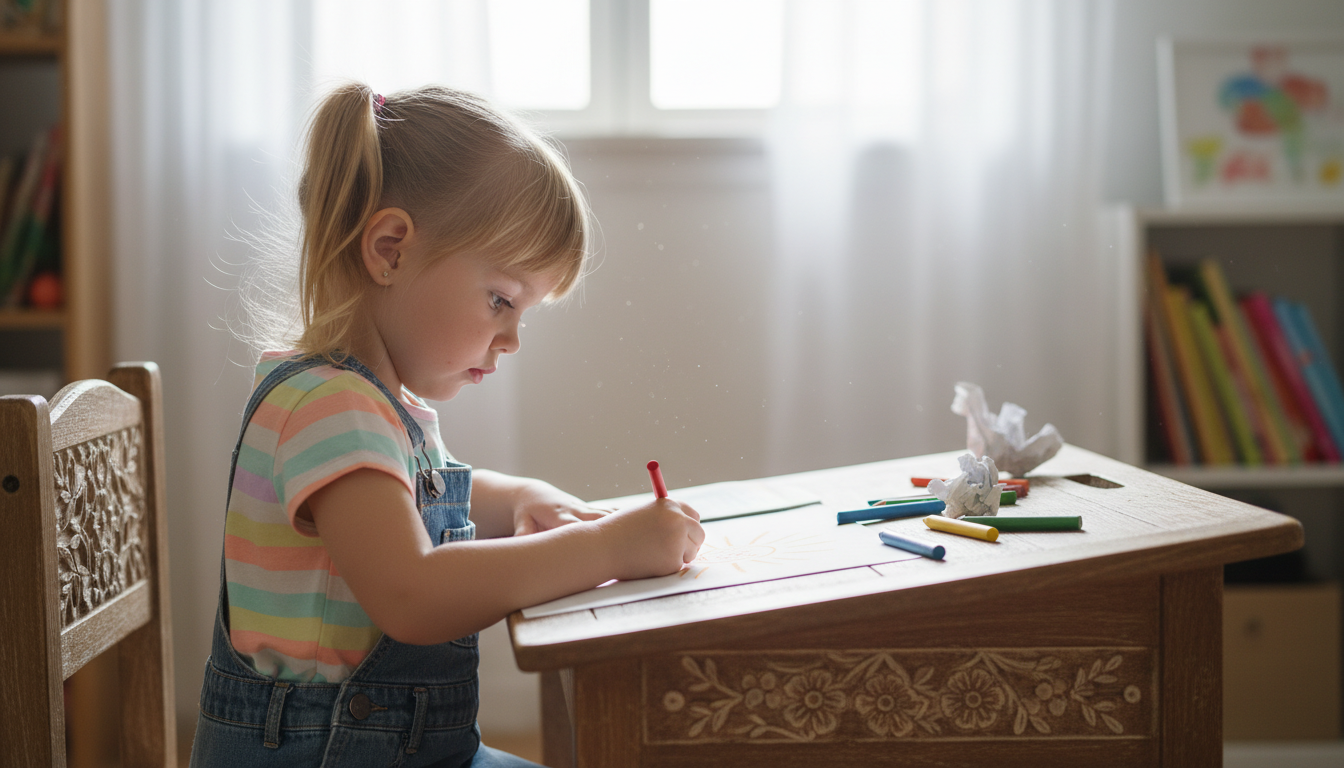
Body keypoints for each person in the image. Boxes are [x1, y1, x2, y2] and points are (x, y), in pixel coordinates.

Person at [189, 83, 705, 768]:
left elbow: (418, 497)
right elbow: (414, 593)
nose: (512, 340)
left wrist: (520, 498)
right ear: (390, 250)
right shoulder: (331, 407)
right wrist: (609, 550)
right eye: (501, 301)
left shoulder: (366, 403)